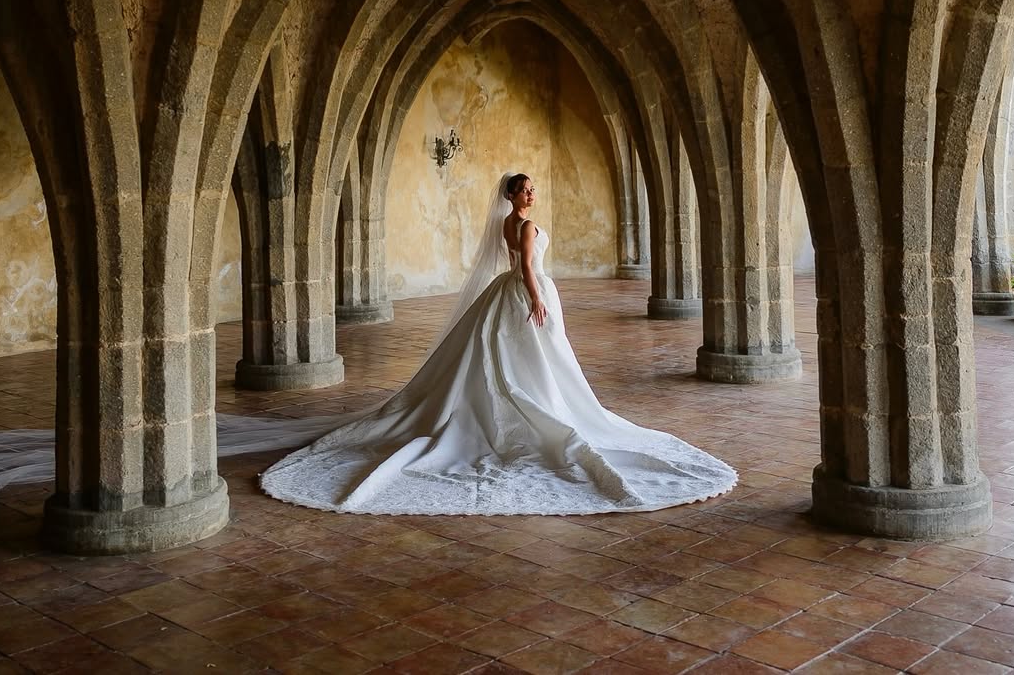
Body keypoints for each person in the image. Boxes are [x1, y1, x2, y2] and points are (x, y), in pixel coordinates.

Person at [260, 172, 736, 515]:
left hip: (504, 293)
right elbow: (528, 266)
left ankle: (530, 398)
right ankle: (543, 410)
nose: (532, 192)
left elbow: (514, 260)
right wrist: (537, 298)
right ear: (512, 194)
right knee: (534, 358)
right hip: (525, 292)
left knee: (519, 357)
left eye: (532, 188)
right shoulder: (526, 226)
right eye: (525, 188)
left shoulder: (507, 223)